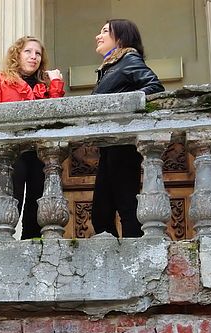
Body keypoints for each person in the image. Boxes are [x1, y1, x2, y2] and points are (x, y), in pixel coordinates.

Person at [0, 35, 64, 239]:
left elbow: (56, 116)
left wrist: (55, 83)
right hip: (11, 150)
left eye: (38, 53)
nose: (33, 57)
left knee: (37, 201)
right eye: (28, 51)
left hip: (39, 151)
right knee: (12, 197)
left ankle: (33, 246)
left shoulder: (44, 84)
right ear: (16, 54)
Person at [90, 19, 164, 238]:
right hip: (109, 145)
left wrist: (123, 106)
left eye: (105, 31)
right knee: (101, 212)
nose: (98, 35)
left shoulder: (128, 59)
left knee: (126, 206)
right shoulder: (110, 67)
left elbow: (154, 87)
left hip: (123, 144)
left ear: (120, 39)